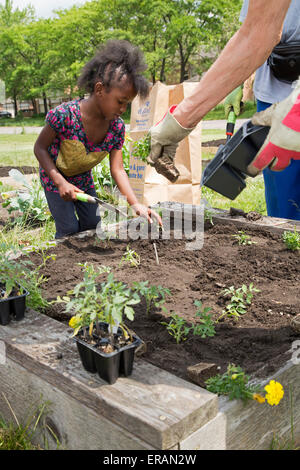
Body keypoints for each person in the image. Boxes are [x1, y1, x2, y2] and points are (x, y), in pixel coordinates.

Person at [147, 0, 300, 220]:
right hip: (277, 93)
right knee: (285, 210)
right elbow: (257, 32)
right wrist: (240, 81)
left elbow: (257, 35)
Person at [34, 39, 162, 239]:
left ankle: (87, 265)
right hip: (55, 177)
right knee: (68, 229)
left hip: (82, 178)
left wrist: (135, 204)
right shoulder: (64, 115)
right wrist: (60, 182)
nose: (122, 109)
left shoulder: (116, 128)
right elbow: (39, 148)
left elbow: (117, 169)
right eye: (120, 102)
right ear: (100, 89)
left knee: (93, 225)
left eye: (127, 104)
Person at [223, 0, 300, 220]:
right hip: (272, 95)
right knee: (280, 193)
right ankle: (285, 244)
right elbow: (250, 34)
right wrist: (237, 83)